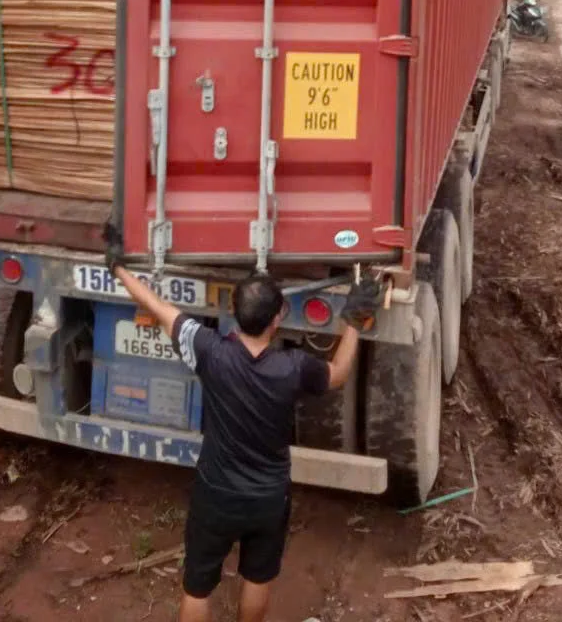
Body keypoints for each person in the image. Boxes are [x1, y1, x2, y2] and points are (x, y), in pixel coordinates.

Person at [104, 230, 378, 622]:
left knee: (197, 586)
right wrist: (352, 321)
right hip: (267, 498)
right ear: (279, 317)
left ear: (233, 312)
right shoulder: (294, 369)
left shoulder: (209, 352)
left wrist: (117, 267)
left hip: (215, 494)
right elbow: (338, 373)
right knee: (257, 577)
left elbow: (156, 305)